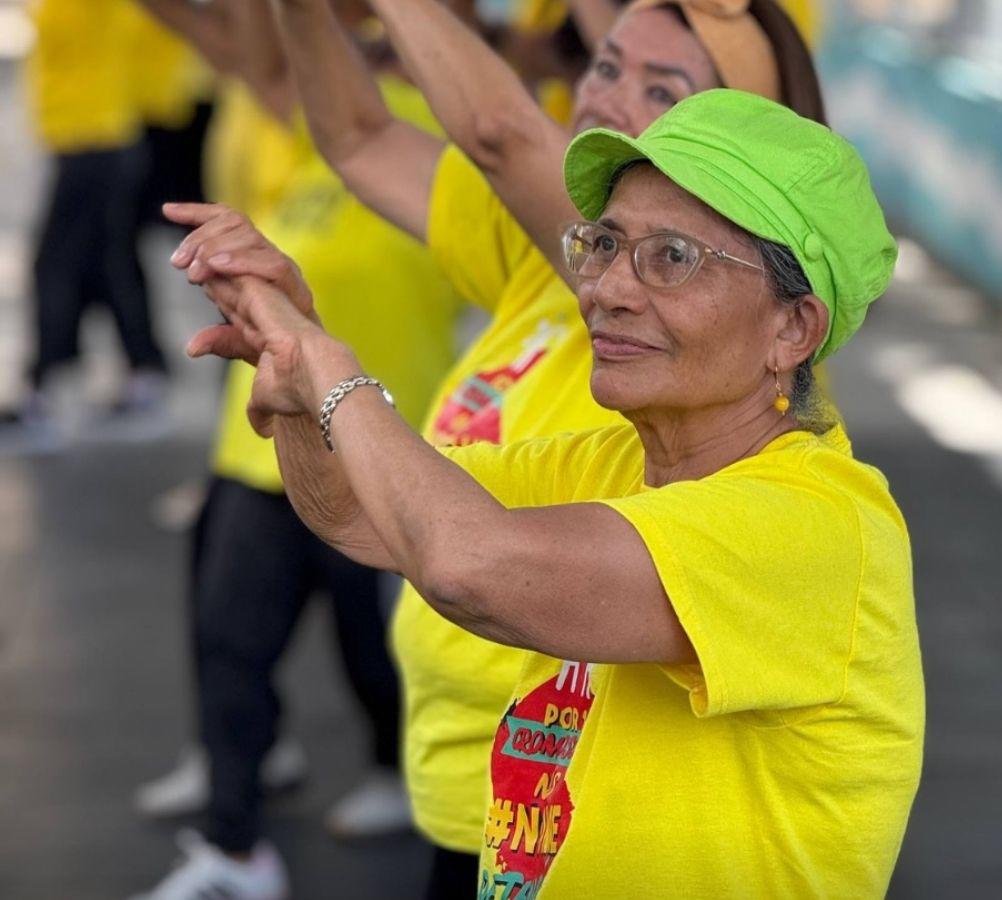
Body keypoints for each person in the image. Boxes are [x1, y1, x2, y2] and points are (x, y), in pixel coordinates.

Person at [175, 88, 924, 898]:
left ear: (793, 330)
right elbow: (360, 513)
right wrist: (291, 367)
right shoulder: (603, 465)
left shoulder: (815, 527)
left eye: (671, 257)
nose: (607, 289)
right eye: (603, 244)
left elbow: (466, 566)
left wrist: (328, 364)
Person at [128, 5, 467, 899]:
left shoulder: (436, 155)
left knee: (377, 653)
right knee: (229, 638)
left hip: (388, 450)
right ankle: (234, 845)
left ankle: (398, 770)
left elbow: (499, 121)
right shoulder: (308, 142)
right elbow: (251, 52)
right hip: (263, 447)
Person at [3, 0, 171, 450]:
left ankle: (42, 391)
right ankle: (144, 373)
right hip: (91, 140)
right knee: (108, 265)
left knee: (55, 266)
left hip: (95, 141)